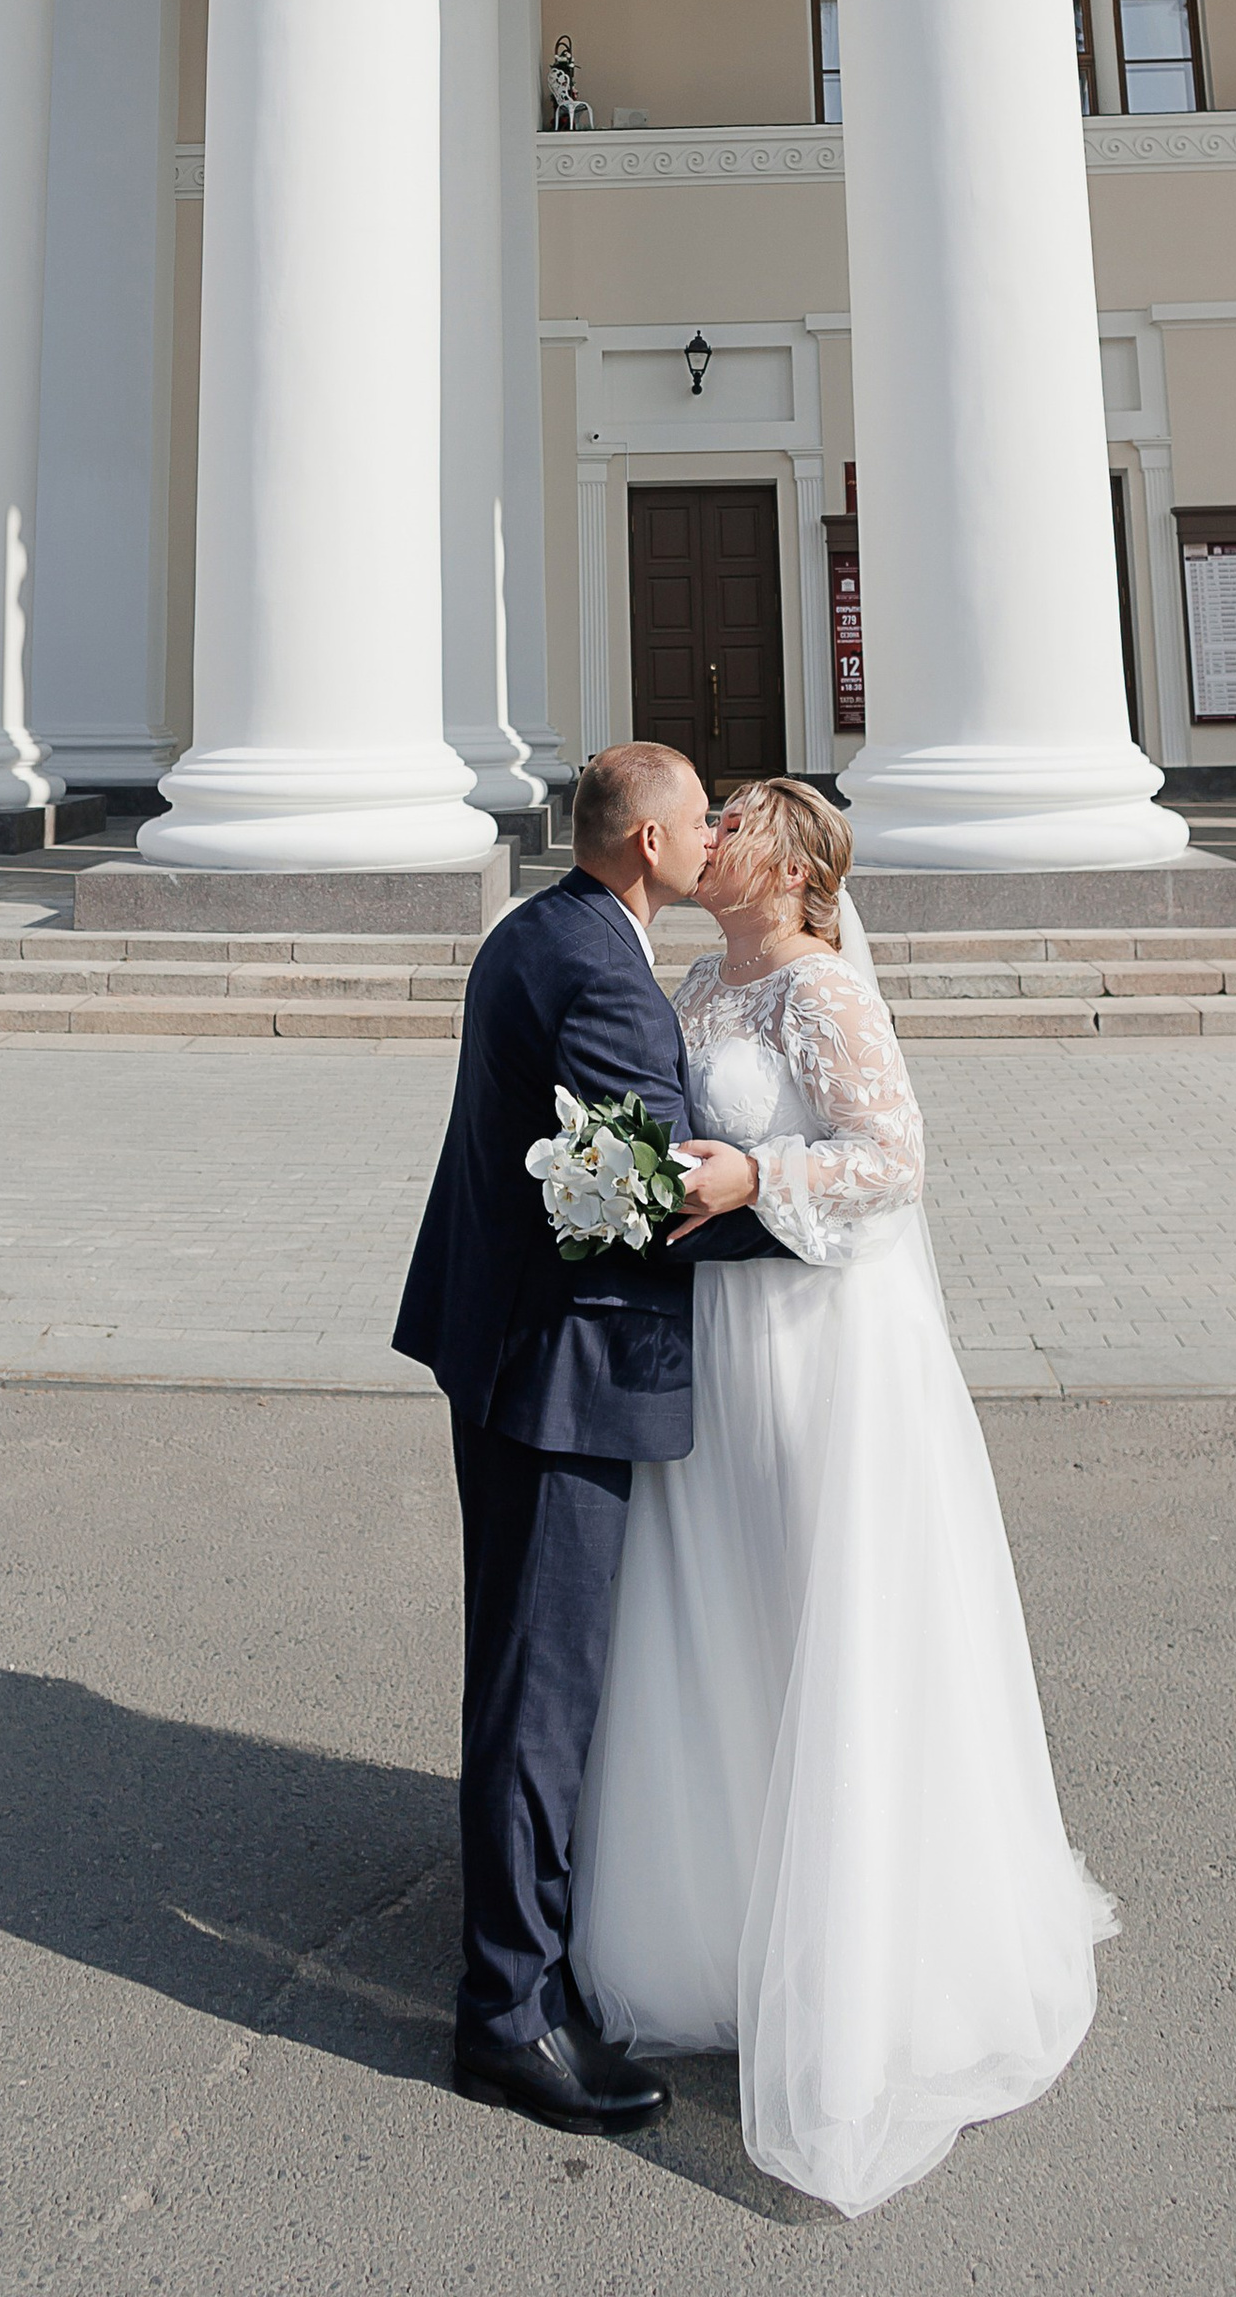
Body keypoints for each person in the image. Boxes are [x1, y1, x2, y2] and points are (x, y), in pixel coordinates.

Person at [571, 777, 1118, 2216]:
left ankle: (867, 1949)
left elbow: (896, 1157)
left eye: (741, 814)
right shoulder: (694, 979)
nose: (715, 830)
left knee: (831, 1619)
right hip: (725, 1350)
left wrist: (757, 1168)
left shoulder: (820, 986)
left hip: (825, 1352)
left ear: (798, 863)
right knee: (731, 1613)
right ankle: (738, 1915)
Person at [392, 740, 782, 2135]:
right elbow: (644, 1187)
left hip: (500, 1345)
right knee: (538, 1694)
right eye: (696, 823)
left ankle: (527, 1953)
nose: (713, 838)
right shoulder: (605, 971)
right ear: (644, 848)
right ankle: (506, 2012)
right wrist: (808, 1194)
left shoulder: (539, 928)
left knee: (523, 1676)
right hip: (557, 1370)